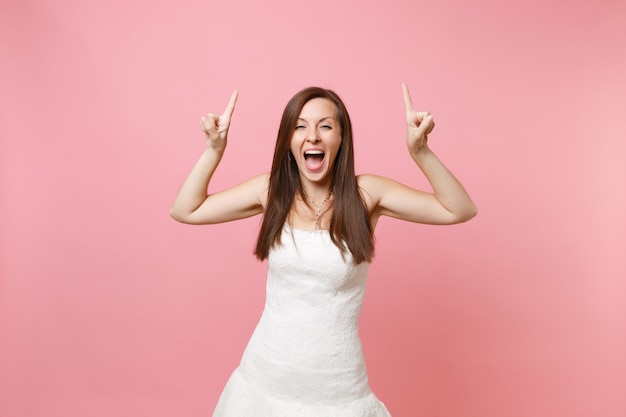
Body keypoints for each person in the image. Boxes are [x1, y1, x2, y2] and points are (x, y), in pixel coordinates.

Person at [170, 84, 477, 416]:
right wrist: (214, 150)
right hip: (263, 383)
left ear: (342, 138)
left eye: (325, 126)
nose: (312, 136)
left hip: (338, 391)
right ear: (288, 140)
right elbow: (186, 210)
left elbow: (459, 209)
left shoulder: (367, 194)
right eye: (300, 126)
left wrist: (421, 152)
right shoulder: (270, 190)